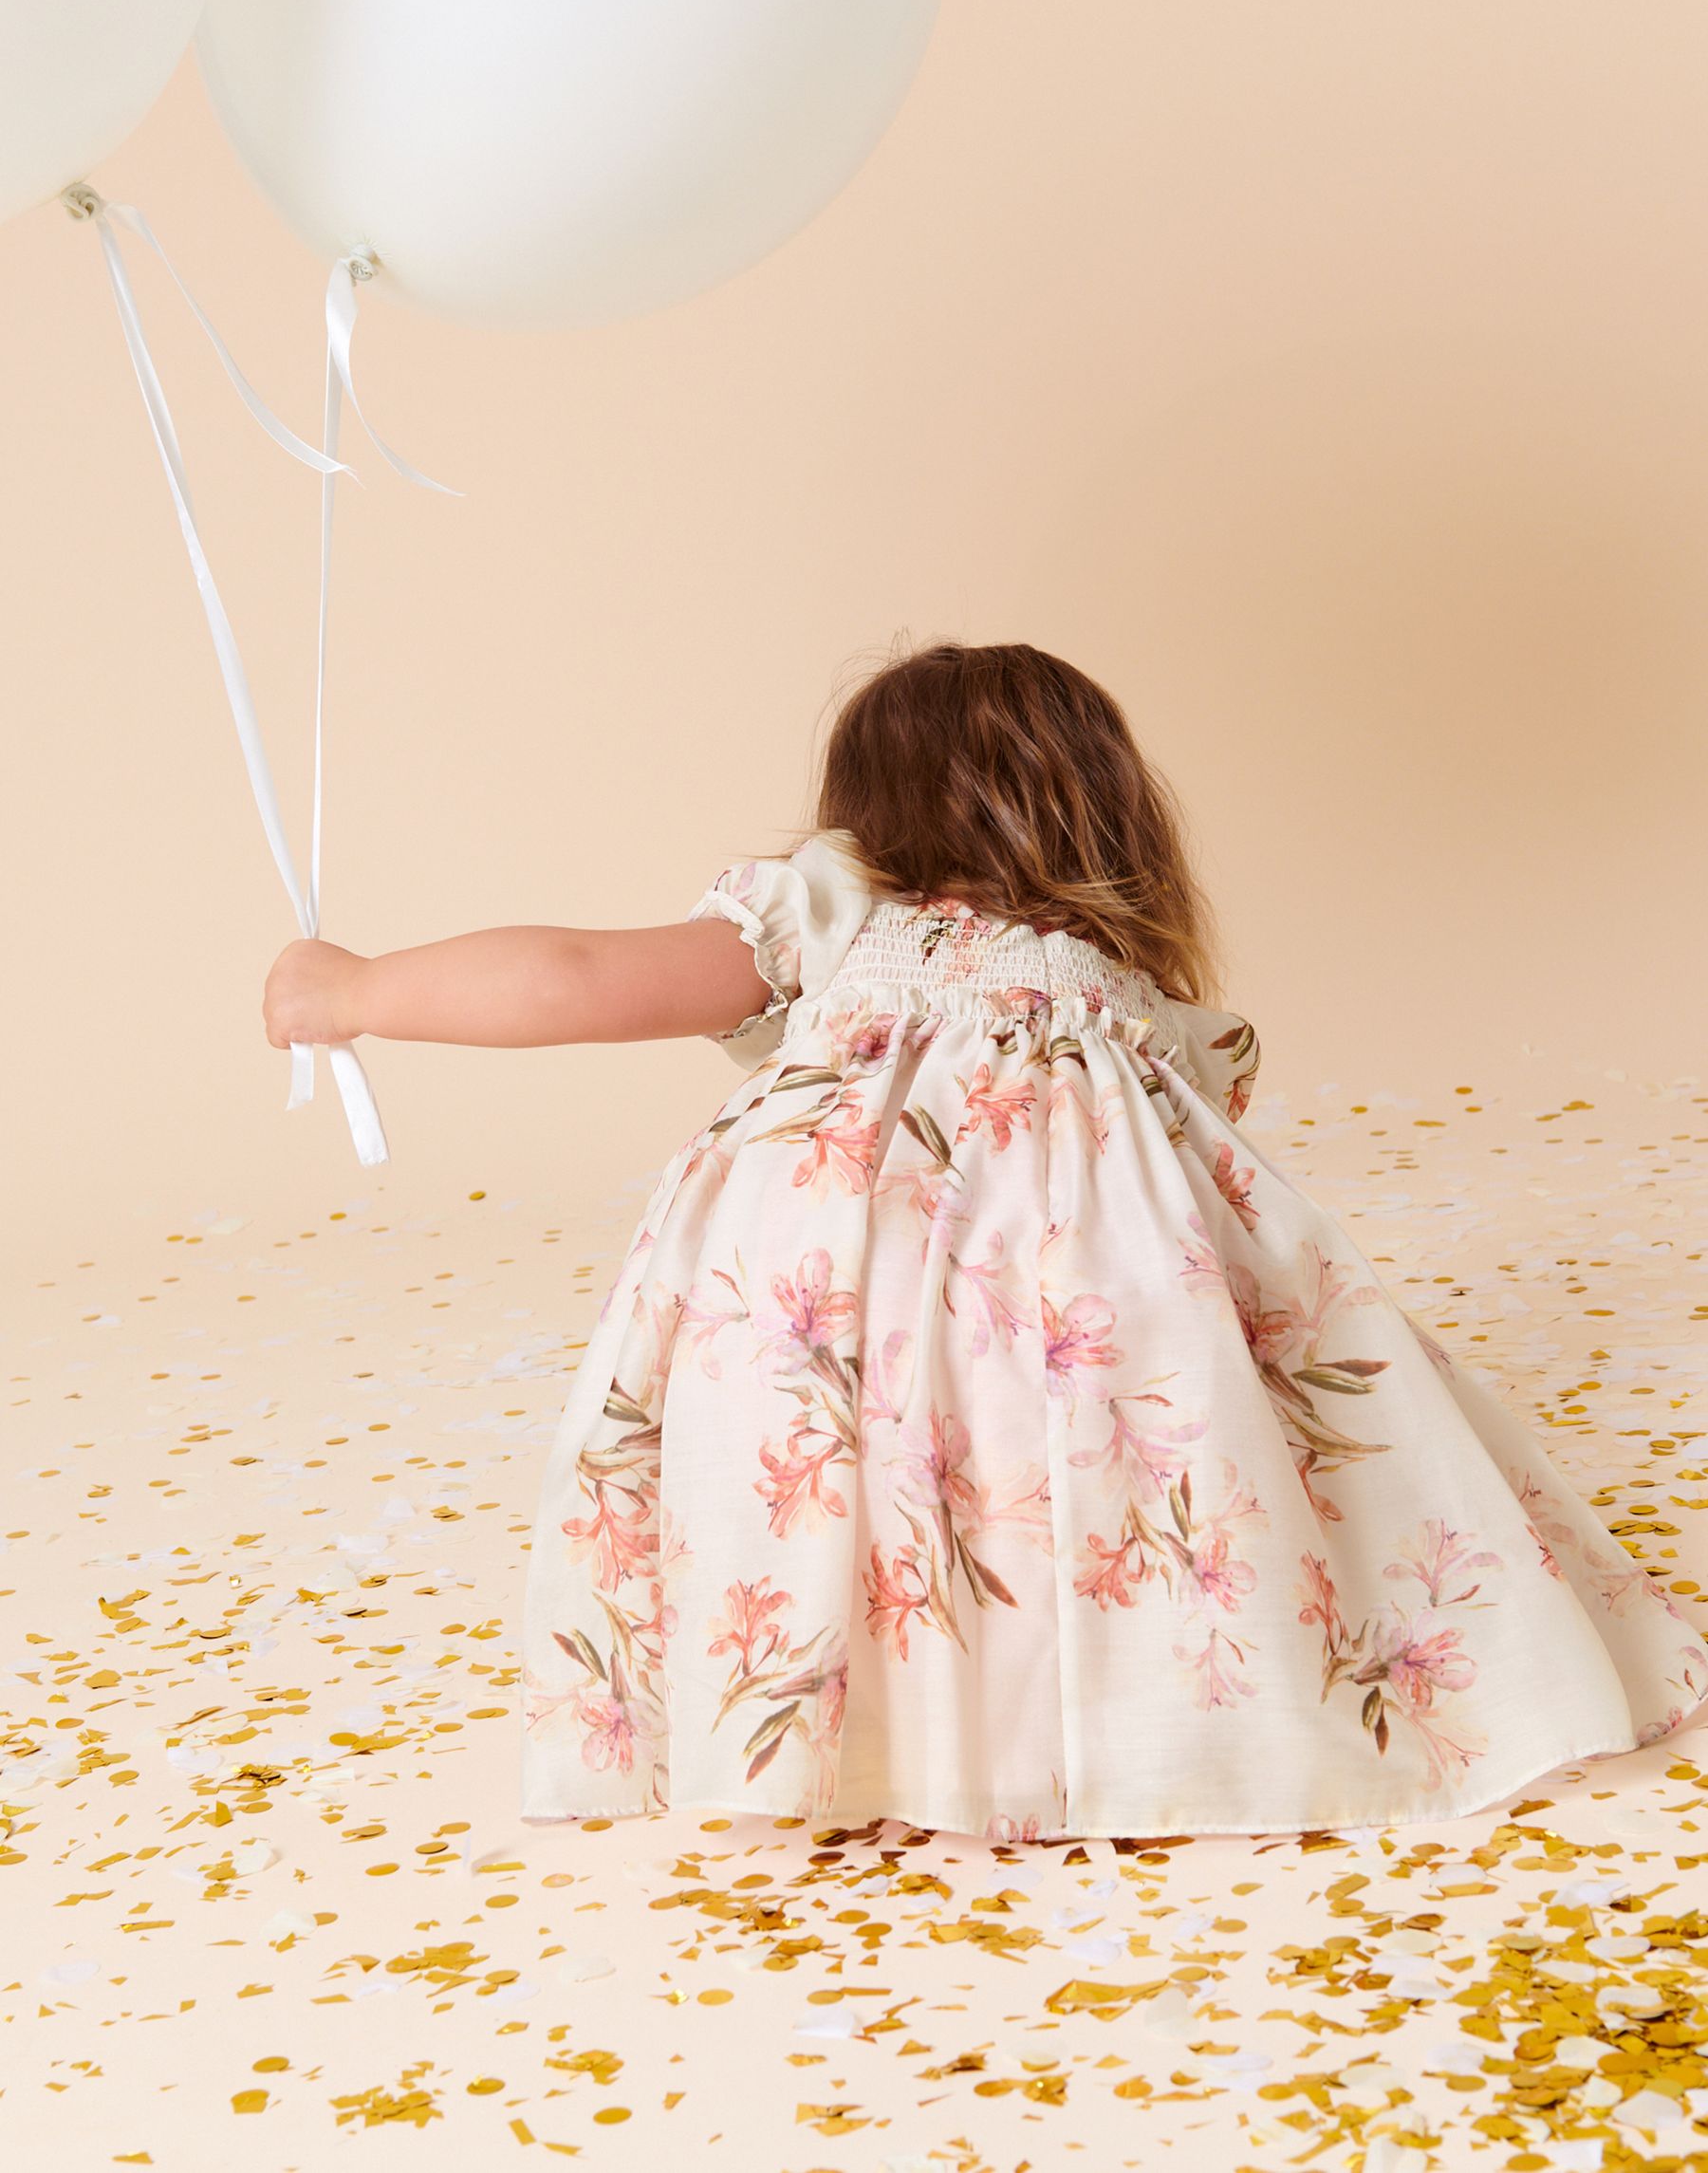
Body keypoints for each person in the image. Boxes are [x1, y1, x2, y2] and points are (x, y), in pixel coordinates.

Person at [263, 641, 1707, 1839]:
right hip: (1092, 1308)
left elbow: (580, 974)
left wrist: (361, 989)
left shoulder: (828, 912)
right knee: (1107, 1483)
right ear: (1108, 817)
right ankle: (1134, 1734)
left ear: (863, 812)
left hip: (822, 1290)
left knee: (835, 1474)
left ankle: (844, 1734)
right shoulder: (1138, 1001)